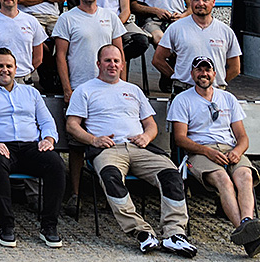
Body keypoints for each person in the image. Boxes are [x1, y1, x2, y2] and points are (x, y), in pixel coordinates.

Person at [65, 45, 196, 257]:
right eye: (107, 60)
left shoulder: (133, 90)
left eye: (116, 61)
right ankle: (142, 232)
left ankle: (174, 234)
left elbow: (151, 124)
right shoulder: (85, 90)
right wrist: (93, 140)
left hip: (140, 147)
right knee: (111, 178)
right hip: (108, 149)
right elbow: (72, 125)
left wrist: (147, 136)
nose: (112, 65)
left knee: (172, 175)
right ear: (98, 64)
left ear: (122, 65)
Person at [169, 57, 260, 256]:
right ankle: (246, 232)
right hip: (200, 151)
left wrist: (237, 152)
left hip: (229, 148)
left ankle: (246, 223)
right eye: (199, 70)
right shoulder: (182, 100)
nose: (203, 74)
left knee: (245, 176)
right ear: (192, 74)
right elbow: (180, 139)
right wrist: (207, 151)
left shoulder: (228, 98)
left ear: (214, 74)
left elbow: (243, 138)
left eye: (207, 70)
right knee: (223, 180)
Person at [0, 48, 66, 248]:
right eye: (0, 66)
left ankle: (49, 227)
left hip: (32, 147)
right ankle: (6, 226)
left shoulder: (31, 93)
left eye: (9, 66)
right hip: (1, 147)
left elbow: (47, 121)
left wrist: (48, 140)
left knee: (56, 164)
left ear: (16, 69)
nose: (4, 70)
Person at [153, 0, 241, 94]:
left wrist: (215, 84)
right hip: (183, 91)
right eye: (196, 0)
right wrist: (176, 78)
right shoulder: (176, 28)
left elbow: (235, 68)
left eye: (205, 0)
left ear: (213, 2)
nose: (200, 4)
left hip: (214, 92)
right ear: (190, 2)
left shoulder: (226, 31)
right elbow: (158, 60)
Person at [54, 0, 126, 99]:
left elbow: (120, 54)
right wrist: (67, 89)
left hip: (108, 87)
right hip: (79, 87)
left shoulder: (111, 17)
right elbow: (60, 56)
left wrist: (122, 86)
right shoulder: (66, 19)